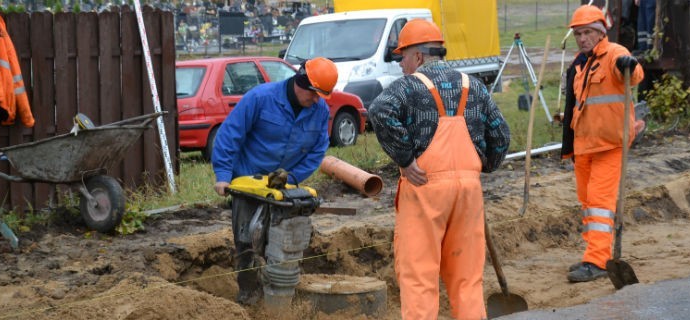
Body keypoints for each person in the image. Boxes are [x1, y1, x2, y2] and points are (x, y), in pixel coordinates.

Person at [368, 19, 510, 319]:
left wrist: (405, 160)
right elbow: (501, 134)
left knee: (419, 278)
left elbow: (380, 110)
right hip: (468, 194)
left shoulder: (408, 87)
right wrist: (484, 166)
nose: (401, 65)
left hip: (425, 189)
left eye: (402, 57)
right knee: (467, 280)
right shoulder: (474, 86)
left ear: (418, 57)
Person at [211, 57, 337, 304]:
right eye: (315, 94)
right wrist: (223, 176)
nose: (317, 100)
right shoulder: (260, 98)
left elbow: (317, 149)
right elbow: (230, 135)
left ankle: (278, 291)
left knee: (281, 240)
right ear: (302, 83)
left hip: (282, 188)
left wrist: (291, 178)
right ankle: (249, 295)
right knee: (246, 241)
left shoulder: (319, 110)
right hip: (248, 181)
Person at [560, 5, 644, 283]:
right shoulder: (581, 64)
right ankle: (596, 251)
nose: (582, 38)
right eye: (578, 34)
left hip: (610, 145)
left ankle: (596, 261)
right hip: (584, 147)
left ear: (599, 33)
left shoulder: (615, 54)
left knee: (599, 202)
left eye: (586, 33)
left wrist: (628, 67)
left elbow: (634, 72)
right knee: (588, 204)